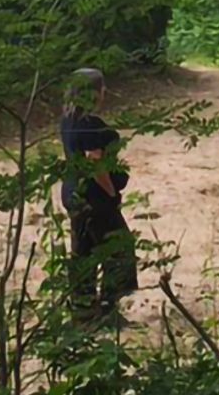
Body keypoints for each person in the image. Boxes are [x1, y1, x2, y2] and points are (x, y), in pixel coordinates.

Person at [59, 68, 137, 321]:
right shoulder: (90, 125)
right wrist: (111, 191)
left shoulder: (68, 120)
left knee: (84, 251)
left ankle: (83, 309)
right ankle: (108, 308)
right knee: (119, 248)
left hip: (72, 192)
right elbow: (95, 162)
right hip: (94, 196)